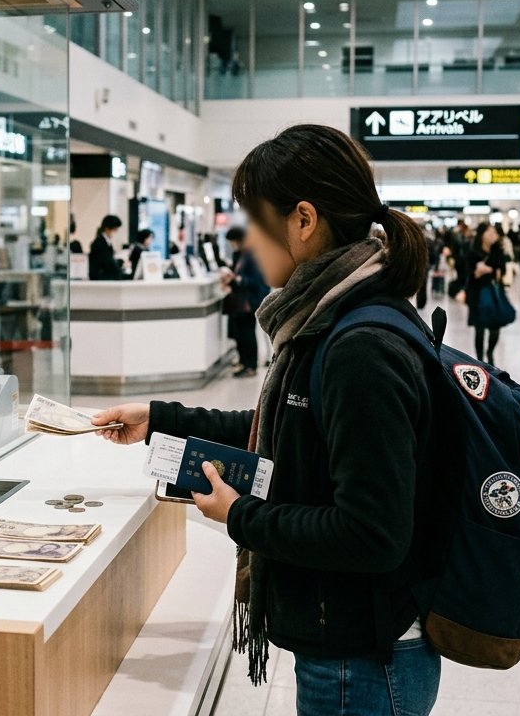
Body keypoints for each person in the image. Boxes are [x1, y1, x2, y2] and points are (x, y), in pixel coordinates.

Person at [91, 124, 440, 716]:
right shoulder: (334, 319)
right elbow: (284, 431)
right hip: (350, 647)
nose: (248, 241)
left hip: (362, 660)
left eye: (256, 221)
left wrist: (241, 516)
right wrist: (159, 418)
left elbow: (373, 535)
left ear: (303, 220)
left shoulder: (361, 345)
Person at [220, 226, 269, 377]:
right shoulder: (239, 254)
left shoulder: (252, 255)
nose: (232, 245)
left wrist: (239, 279)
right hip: (239, 302)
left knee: (248, 333)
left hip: (249, 301)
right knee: (239, 333)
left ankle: (251, 365)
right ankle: (243, 362)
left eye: (233, 241)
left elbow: (257, 280)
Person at [465, 223, 509, 366]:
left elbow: (502, 271)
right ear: (482, 234)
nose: (492, 234)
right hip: (477, 293)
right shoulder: (473, 251)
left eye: (493, 232)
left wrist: (489, 270)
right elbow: (467, 273)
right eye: (488, 231)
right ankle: (479, 358)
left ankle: (490, 352)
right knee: (479, 327)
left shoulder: (498, 252)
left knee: (495, 327)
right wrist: (477, 272)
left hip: (494, 292)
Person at [88, 214, 124, 280]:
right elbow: (108, 262)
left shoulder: (105, 242)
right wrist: (121, 262)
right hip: (102, 278)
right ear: (107, 229)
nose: (116, 232)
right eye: (115, 229)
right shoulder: (99, 243)